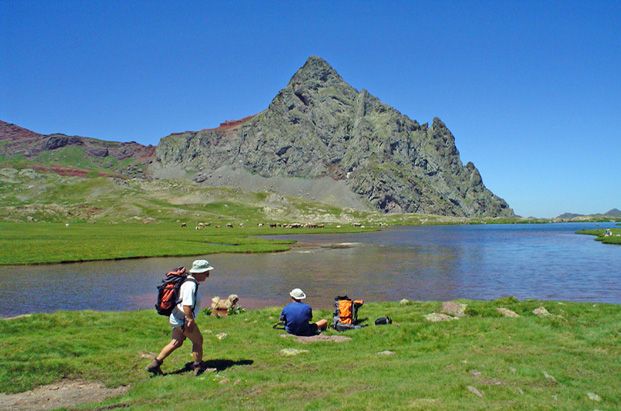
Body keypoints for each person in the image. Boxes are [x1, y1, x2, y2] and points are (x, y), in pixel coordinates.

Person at [146, 259, 214, 376]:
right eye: (206, 272)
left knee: (176, 342)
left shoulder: (188, 280)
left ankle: (155, 364)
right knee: (198, 341)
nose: (208, 275)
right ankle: (198, 367)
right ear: (198, 272)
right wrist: (190, 320)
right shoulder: (190, 285)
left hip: (176, 317)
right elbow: (186, 305)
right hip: (183, 319)